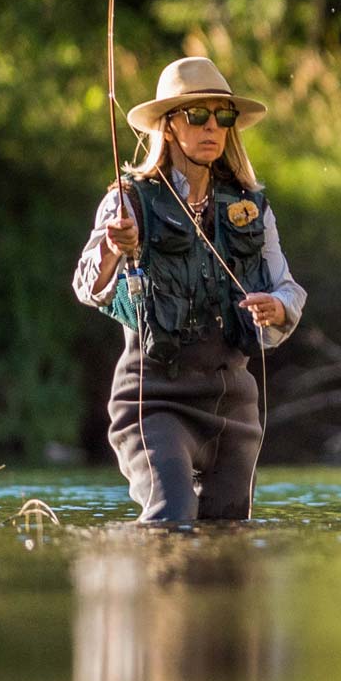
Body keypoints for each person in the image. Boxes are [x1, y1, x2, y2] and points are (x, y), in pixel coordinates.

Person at [73, 56, 306, 522]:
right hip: (154, 396)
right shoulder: (130, 199)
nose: (212, 127)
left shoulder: (250, 207)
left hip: (232, 401)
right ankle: (136, 589)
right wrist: (115, 249)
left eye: (222, 116)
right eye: (197, 115)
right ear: (168, 125)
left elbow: (288, 289)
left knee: (229, 529)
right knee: (171, 513)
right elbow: (86, 286)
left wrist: (277, 310)